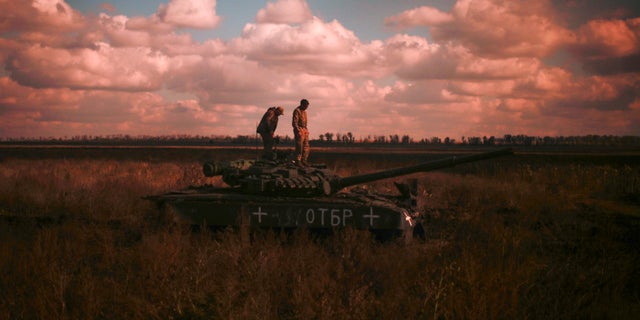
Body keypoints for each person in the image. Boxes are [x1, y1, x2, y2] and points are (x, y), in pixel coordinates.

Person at [292, 99, 310, 165]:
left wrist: (306, 130)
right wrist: (298, 130)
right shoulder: (297, 111)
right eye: (306, 105)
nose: (307, 107)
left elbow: (305, 122)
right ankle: (298, 160)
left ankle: (304, 160)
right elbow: (294, 122)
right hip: (299, 129)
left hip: (305, 129)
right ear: (302, 104)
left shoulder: (305, 112)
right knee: (300, 146)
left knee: (306, 146)